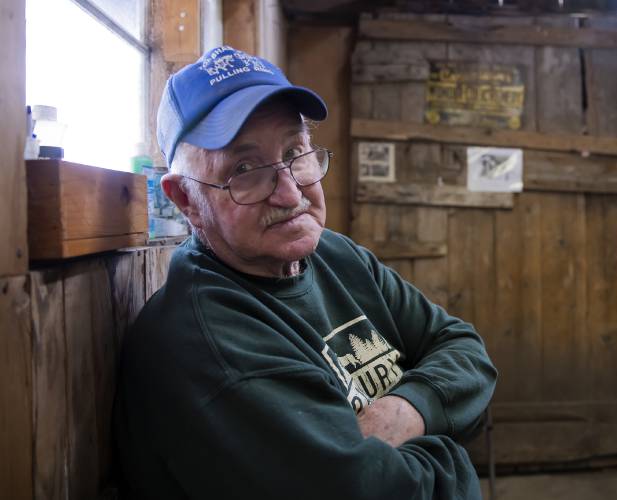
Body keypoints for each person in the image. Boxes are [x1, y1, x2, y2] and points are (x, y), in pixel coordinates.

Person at [114, 46, 497, 499]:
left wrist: (405, 408)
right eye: (245, 169)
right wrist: (451, 453)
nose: (290, 192)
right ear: (185, 200)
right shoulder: (212, 345)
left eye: (296, 151)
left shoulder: (335, 255)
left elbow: (464, 349)